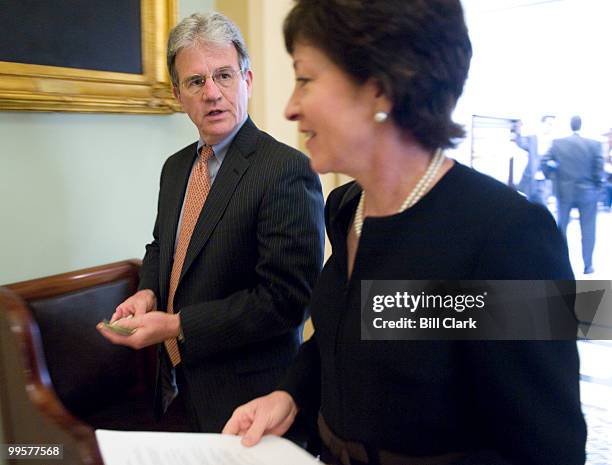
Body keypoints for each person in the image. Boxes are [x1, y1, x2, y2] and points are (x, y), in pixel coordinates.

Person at [223, 1, 586, 464]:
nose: (291, 107)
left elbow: (550, 450)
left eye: (305, 79)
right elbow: (347, 334)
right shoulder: (345, 208)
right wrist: (290, 395)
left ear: (380, 88)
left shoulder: (508, 237)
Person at [97, 12, 325, 432]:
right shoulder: (175, 168)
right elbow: (162, 246)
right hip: (177, 385)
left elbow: (287, 301)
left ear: (247, 80)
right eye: (196, 81)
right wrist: (148, 292)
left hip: (251, 400)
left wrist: (178, 325)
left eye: (224, 75)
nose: (213, 93)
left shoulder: (286, 170)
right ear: (177, 93)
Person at [542, 115, 604, 274]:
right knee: (588, 229)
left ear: (570, 125)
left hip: (564, 191)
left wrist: (552, 176)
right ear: (581, 125)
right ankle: (588, 266)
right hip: (588, 193)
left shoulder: (557, 143)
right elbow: (598, 168)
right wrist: (597, 187)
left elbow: (545, 161)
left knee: (562, 228)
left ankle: (559, 264)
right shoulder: (595, 145)